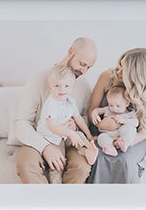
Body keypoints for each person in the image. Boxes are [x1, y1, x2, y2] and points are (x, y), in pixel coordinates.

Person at [10, 37, 98, 183]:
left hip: (68, 141)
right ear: (71, 52)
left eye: (88, 67)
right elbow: (21, 122)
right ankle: (46, 203)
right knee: (26, 165)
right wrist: (45, 147)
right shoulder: (40, 79)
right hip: (40, 136)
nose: (84, 71)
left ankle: (62, 202)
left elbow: (83, 117)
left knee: (82, 168)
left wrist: (75, 126)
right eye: (82, 64)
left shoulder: (83, 85)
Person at [87, 48, 146, 183]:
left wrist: (125, 141)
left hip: (133, 135)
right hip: (105, 132)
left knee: (124, 159)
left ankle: (125, 200)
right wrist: (102, 124)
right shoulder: (107, 77)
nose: (118, 69)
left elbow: (145, 131)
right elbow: (92, 109)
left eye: (123, 67)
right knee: (100, 155)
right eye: (119, 64)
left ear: (135, 74)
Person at [36, 66, 98, 183]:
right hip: (51, 138)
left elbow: (78, 118)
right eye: (57, 86)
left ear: (71, 88)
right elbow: (52, 126)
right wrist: (70, 133)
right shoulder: (52, 103)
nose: (62, 90)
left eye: (66, 86)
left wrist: (89, 135)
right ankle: (56, 186)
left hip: (63, 135)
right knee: (58, 163)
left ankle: (87, 151)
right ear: (50, 88)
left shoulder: (70, 101)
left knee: (80, 135)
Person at [92, 84, 138, 156]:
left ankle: (124, 143)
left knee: (130, 129)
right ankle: (110, 148)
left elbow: (136, 123)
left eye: (118, 106)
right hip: (109, 134)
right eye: (111, 105)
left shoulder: (130, 113)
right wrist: (94, 114)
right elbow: (98, 110)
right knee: (101, 137)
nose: (114, 109)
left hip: (122, 134)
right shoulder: (108, 109)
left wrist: (124, 121)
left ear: (127, 103)